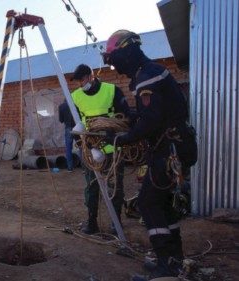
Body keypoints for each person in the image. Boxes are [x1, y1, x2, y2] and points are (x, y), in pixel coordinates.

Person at [102, 30, 197, 280]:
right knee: (163, 204)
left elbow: (151, 122)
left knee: (148, 203)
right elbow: (153, 115)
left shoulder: (147, 77)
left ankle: (167, 264)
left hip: (169, 151)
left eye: (114, 59)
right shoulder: (151, 72)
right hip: (175, 148)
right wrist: (131, 119)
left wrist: (121, 139)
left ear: (126, 52)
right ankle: (173, 261)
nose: (115, 67)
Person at [70, 63, 131, 235]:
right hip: (90, 150)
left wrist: (113, 131)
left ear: (91, 76)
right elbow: (73, 126)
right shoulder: (75, 97)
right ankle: (91, 222)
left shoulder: (112, 90)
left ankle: (116, 222)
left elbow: (125, 118)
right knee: (91, 187)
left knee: (115, 186)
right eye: (78, 81)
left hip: (113, 149)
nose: (81, 84)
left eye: (82, 80)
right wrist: (85, 145)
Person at [58, 99, 76, 172]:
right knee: (81, 146)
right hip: (77, 127)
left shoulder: (61, 106)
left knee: (68, 148)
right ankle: (85, 169)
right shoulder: (76, 104)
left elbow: (61, 120)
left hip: (68, 128)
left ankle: (70, 168)